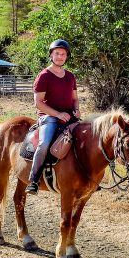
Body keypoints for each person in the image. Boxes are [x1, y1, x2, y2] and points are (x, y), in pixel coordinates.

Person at [25, 39, 80, 194]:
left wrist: (76, 110)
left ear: (67, 57)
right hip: (49, 117)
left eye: (63, 54)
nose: (60, 57)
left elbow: (75, 98)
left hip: (69, 117)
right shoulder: (44, 76)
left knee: (87, 138)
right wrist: (58, 114)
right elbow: (38, 103)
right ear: (51, 55)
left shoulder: (70, 76)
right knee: (44, 144)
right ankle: (34, 180)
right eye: (57, 53)